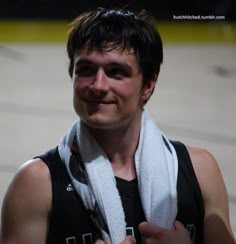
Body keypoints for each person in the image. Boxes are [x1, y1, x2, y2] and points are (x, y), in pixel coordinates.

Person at [0, 7, 235, 244]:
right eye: (86, 70)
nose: (98, 85)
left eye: (116, 72)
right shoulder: (36, 183)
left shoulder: (200, 170)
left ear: (148, 85)